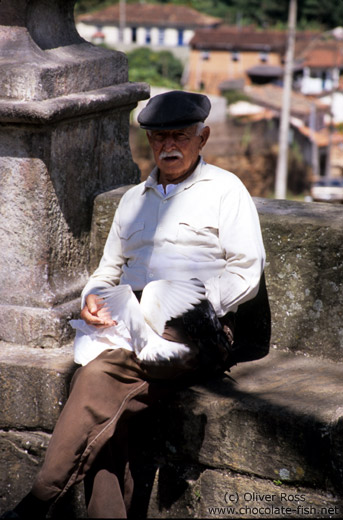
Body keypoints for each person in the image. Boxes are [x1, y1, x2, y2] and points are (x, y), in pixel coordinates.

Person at [3, 90, 267, 519]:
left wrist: (192, 308)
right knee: (101, 391)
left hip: (192, 329)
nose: (168, 147)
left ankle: (39, 500)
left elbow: (245, 271)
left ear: (203, 138)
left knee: (95, 380)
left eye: (179, 136)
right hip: (128, 325)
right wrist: (92, 299)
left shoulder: (225, 191)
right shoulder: (133, 201)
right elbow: (107, 272)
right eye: (158, 138)